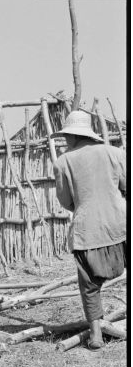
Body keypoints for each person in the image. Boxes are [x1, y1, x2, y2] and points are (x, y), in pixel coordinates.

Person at [51, 110, 126, 351]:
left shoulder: (63, 162)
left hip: (87, 232)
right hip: (121, 225)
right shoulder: (115, 153)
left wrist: (83, 204)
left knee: (89, 286)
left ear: (72, 136)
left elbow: (65, 201)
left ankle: (95, 335)